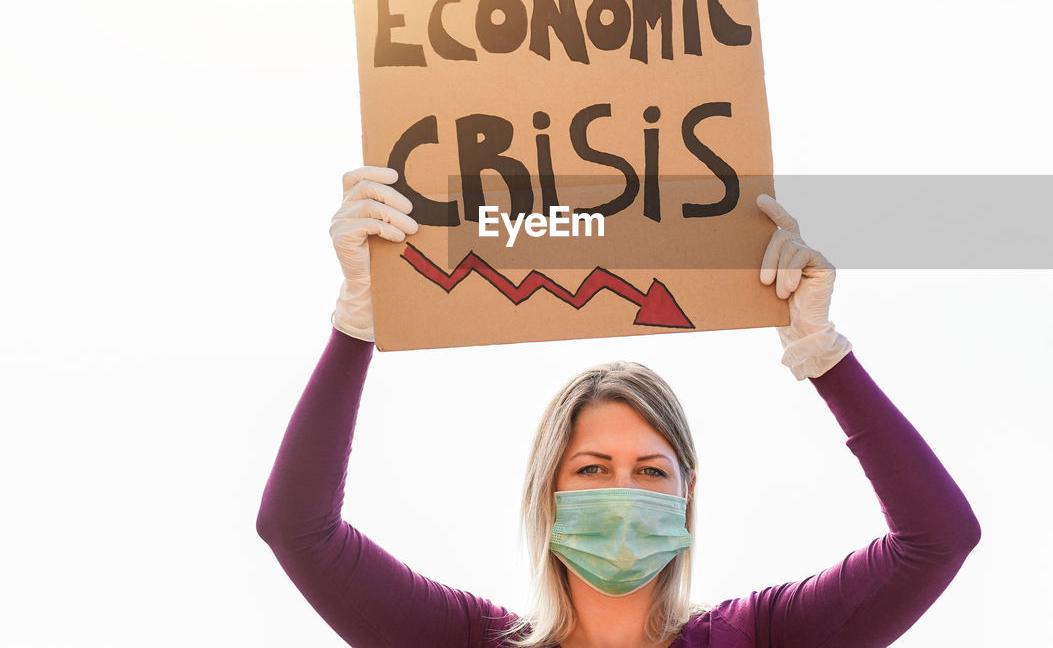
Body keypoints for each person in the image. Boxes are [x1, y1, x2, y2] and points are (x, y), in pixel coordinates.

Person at [257, 167, 981, 648]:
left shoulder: (757, 636)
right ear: (550, 489)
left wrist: (823, 353)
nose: (624, 492)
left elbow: (938, 538)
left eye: (651, 471)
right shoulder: (471, 640)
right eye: (595, 467)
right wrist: (358, 322)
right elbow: (297, 530)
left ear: (687, 491)